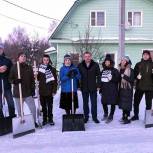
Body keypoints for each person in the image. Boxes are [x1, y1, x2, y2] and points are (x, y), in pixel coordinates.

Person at [9, 52, 38, 127]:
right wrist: (15, 81)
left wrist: (33, 90)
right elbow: (10, 79)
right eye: (22, 56)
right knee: (20, 111)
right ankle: (22, 124)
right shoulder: (14, 67)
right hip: (18, 94)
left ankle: (34, 122)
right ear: (18, 58)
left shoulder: (29, 67)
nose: (23, 57)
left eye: (25, 56)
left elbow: (32, 80)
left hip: (28, 93)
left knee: (33, 109)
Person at [78, 51, 101, 123]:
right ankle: (86, 117)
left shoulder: (95, 65)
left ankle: (94, 117)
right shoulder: (80, 65)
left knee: (94, 103)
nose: (87, 58)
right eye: (86, 56)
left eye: (88, 56)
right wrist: (78, 86)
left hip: (93, 87)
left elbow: (99, 76)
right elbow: (78, 76)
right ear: (84, 57)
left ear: (91, 57)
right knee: (85, 103)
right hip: (84, 87)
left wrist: (98, 85)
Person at [131, 50, 153, 121]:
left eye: (147, 54)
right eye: (144, 54)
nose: (145, 56)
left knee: (148, 105)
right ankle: (136, 115)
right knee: (136, 102)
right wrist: (136, 76)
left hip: (150, 87)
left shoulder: (152, 64)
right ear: (142, 55)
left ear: (149, 56)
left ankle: (148, 119)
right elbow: (134, 74)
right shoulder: (138, 64)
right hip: (139, 86)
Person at [37, 54, 57, 126]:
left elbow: (55, 81)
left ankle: (50, 119)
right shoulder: (40, 69)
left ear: (49, 61)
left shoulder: (52, 69)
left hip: (49, 91)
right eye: (44, 60)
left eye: (47, 60)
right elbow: (38, 79)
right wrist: (36, 75)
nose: (46, 61)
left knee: (50, 106)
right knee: (44, 107)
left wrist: (54, 90)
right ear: (42, 60)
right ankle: (45, 119)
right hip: (42, 91)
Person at [100, 54, 120, 123]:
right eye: (106, 62)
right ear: (104, 63)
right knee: (103, 102)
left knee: (112, 103)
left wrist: (112, 78)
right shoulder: (103, 71)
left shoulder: (115, 70)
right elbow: (101, 80)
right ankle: (105, 114)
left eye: (108, 62)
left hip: (112, 89)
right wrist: (100, 89)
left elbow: (118, 79)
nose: (107, 63)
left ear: (111, 62)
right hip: (105, 89)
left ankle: (111, 115)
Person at [0, 43, 16, 118]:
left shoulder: (8, 60)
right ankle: (1, 120)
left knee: (11, 103)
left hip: (6, 85)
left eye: (0, 49)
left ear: (2, 50)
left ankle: (12, 117)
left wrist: (6, 69)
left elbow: (12, 72)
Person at [118, 56, 134, 124]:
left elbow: (132, 80)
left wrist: (124, 76)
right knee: (123, 103)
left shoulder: (130, 70)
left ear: (127, 61)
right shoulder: (120, 69)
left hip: (128, 89)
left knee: (127, 103)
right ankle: (123, 116)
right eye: (122, 60)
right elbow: (119, 79)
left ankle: (127, 117)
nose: (123, 61)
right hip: (122, 89)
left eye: (124, 60)